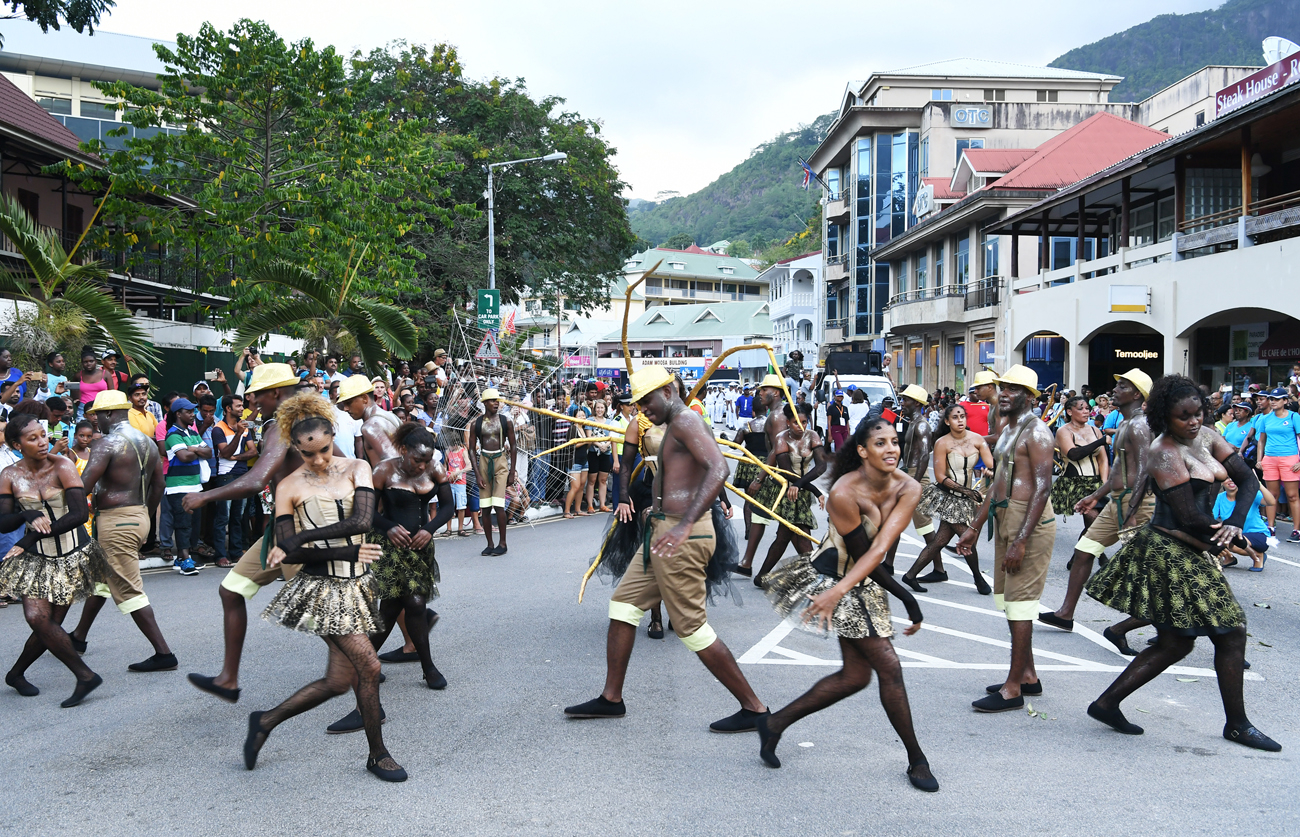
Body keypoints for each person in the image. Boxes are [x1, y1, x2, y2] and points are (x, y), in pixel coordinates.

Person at [1083, 374, 1279, 752]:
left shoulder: (1207, 436)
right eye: (1182, 416)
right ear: (1164, 417)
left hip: (1196, 545)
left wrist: (1236, 523)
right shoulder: (1163, 452)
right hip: (1169, 550)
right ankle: (1237, 725)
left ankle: (1106, 704)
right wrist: (1229, 536)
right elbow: (1188, 516)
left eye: (1198, 413)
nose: (1192, 422)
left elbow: (1247, 479)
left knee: (1177, 642)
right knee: (1228, 631)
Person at [565, 366, 767, 731]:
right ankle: (612, 699)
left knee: (692, 628)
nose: (642, 408)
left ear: (669, 391)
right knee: (624, 606)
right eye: (638, 403)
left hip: (683, 536)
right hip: (661, 532)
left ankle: (755, 708)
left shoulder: (687, 421)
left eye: (647, 400)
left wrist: (687, 522)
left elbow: (719, 468)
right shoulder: (670, 425)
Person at [757, 415, 936, 790]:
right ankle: (917, 759)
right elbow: (863, 556)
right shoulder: (844, 492)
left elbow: (881, 551)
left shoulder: (908, 487)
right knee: (889, 667)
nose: (891, 449)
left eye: (894, 441)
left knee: (855, 676)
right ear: (862, 451)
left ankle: (774, 723)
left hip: (861, 581)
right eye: (880, 443)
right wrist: (904, 599)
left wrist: (906, 600)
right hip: (835, 580)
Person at [243, 393, 408, 782]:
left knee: (338, 681)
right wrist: (336, 549)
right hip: (321, 591)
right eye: (307, 454)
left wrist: (306, 538)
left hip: (358, 586)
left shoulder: (357, 468)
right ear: (296, 448)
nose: (317, 460)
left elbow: (363, 521)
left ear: (332, 435)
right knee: (369, 665)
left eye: (322, 449)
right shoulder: (287, 486)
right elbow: (293, 555)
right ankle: (378, 754)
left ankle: (265, 721)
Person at [956, 365, 1056, 712]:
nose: (1005, 394)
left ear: (1030, 396)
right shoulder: (1008, 427)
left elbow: (1043, 488)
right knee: (1008, 601)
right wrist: (974, 524)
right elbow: (999, 481)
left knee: (1020, 604)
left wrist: (1022, 540)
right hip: (1005, 514)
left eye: (1014, 389)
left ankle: (1013, 688)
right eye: (1003, 387)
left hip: (1029, 520)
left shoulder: (1039, 433)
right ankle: (1027, 675)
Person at [0, 413, 109, 706]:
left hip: (72, 554)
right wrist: (25, 515)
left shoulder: (62, 465)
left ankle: (15, 674)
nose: (42, 442)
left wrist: (31, 536)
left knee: (50, 625)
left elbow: (79, 514)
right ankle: (85, 676)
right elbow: (3, 522)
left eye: (43, 435)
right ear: (16, 444)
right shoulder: (9, 475)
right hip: (36, 559)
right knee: (38, 619)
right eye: (32, 438)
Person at [1039, 370, 1155, 641]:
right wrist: (1096, 495)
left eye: (1122, 386)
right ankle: (1065, 614)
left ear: (1137, 394)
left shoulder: (1139, 425)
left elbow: (1144, 472)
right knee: (1084, 550)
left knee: (1150, 567)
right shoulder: (1126, 423)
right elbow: (1119, 471)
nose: (1115, 390)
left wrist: (1133, 512)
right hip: (1119, 499)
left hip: (1137, 502)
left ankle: (1174, 627)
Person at [63, 390, 174, 670]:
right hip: (136, 515)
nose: (96, 421)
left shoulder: (107, 443)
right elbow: (159, 486)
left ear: (110, 413)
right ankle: (78, 637)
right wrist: (145, 517)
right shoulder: (147, 442)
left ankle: (164, 654)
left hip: (116, 520)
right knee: (101, 580)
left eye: (98, 415)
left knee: (128, 589)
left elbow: (83, 486)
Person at [366, 423, 455, 691]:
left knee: (392, 607)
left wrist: (429, 529)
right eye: (417, 459)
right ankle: (428, 668)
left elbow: (448, 506)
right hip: (390, 546)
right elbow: (367, 513)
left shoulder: (434, 468)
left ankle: (361, 660)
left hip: (420, 546)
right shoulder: (383, 471)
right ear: (403, 450)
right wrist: (389, 527)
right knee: (415, 604)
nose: (421, 466)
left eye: (427, 459)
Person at [901, 404, 994, 594]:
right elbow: (941, 477)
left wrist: (990, 470)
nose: (960, 420)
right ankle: (979, 579)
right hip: (950, 497)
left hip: (967, 499)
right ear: (947, 421)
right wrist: (965, 491)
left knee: (940, 541)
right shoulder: (942, 442)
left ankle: (910, 575)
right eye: (955, 417)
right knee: (966, 537)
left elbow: (991, 463)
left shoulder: (977, 439)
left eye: (962, 416)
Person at [753, 402, 828, 584]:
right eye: (796, 423)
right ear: (787, 422)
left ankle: (761, 576)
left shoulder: (813, 436)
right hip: (786, 492)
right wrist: (815, 490)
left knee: (785, 537)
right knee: (799, 535)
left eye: (804, 422)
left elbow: (822, 466)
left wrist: (804, 486)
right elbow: (787, 472)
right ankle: (815, 577)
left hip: (800, 491)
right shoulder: (781, 438)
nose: (801, 427)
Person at [737, 375, 789, 575]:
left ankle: (753, 566)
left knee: (794, 531)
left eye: (762, 390)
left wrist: (760, 478)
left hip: (779, 473)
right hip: (776, 471)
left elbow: (777, 449)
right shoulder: (776, 413)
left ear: (775, 392)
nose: (759, 394)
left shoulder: (777, 416)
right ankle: (747, 563)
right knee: (759, 515)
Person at [162, 397, 209, 576]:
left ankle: (181, 559)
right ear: (178, 414)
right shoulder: (173, 434)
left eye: (193, 411)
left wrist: (193, 449)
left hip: (195, 485)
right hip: (178, 487)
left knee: (193, 524)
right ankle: (185, 559)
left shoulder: (192, 432)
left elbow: (209, 452)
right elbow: (183, 457)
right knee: (183, 524)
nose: (193, 414)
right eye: (189, 412)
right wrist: (196, 450)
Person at [467, 388, 516, 555]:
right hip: (484, 460)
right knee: (486, 506)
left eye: (498, 400)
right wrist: (478, 474)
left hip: (501, 460)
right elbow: (472, 450)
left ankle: (503, 544)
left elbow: (514, 446)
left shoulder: (506, 421)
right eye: (493, 400)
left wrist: (512, 472)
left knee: (499, 504)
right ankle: (489, 544)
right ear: (485, 403)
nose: (497, 403)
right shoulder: (476, 424)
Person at [1049, 396, 1109, 527]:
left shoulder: (1095, 430)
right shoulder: (1063, 431)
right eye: (1081, 408)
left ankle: (1086, 547)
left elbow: (1103, 460)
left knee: (1103, 523)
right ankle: (1086, 547)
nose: (1086, 411)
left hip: (1095, 483)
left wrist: (1104, 485)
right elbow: (1073, 454)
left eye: (1087, 408)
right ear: (1070, 412)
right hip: (1073, 483)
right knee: (1094, 521)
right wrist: (1100, 441)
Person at [1252, 387, 1300, 541]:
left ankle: (1297, 530)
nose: (1273, 402)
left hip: (1290, 458)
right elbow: (1261, 441)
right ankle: (1270, 527)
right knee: (1272, 495)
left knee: (1292, 495)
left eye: (1277, 399)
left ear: (1285, 401)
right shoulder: (1265, 418)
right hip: (1270, 459)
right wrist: (1260, 460)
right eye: (1272, 399)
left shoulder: (1294, 417)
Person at [336, 376, 400, 468]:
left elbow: (393, 464)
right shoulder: (390, 416)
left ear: (365, 398)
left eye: (349, 403)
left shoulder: (370, 427)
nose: (345, 409)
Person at [1214, 477, 1273, 571]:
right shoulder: (1219, 498)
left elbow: (1271, 502)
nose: (1231, 480)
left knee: (1231, 540)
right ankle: (1229, 558)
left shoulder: (1250, 494)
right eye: (1227, 478)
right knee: (1215, 537)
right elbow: (1212, 517)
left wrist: (1259, 485)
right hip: (1237, 534)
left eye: (1233, 477)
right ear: (1221, 482)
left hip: (1259, 535)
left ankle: (1258, 555)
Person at [587, 398, 615, 513]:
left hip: (606, 453)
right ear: (594, 409)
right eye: (597, 407)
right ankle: (590, 505)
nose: (599, 410)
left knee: (603, 480)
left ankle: (603, 504)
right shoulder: (590, 420)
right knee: (592, 480)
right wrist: (599, 445)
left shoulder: (609, 422)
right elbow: (589, 437)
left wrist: (606, 445)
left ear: (605, 409)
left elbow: (612, 436)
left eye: (601, 408)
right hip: (593, 453)